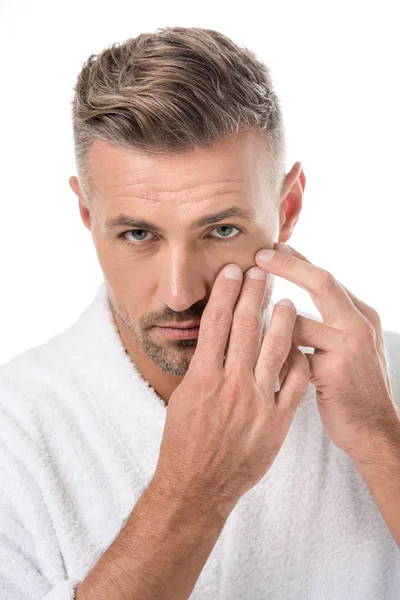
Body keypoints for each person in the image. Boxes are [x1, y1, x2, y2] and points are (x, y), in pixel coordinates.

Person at [1, 26, 399, 600]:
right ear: (88, 215)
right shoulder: (13, 433)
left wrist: (383, 443)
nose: (182, 291)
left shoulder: (388, 383)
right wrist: (194, 493)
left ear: (286, 209)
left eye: (222, 230)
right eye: (139, 233)